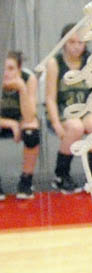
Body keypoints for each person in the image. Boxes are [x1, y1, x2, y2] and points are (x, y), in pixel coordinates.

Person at [46, 24, 92, 193]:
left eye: (80, 42)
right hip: (64, 110)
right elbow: (50, 98)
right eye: (71, 42)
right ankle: (61, 175)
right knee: (75, 127)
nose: (76, 46)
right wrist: (56, 123)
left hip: (86, 108)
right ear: (63, 43)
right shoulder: (54, 63)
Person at [1, 52, 40, 199]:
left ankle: (26, 181)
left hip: (21, 119)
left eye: (11, 68)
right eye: (3, 68)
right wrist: (10, 123)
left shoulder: (28, 78)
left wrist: (22, 89)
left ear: (19, 69)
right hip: (4, 121)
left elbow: (29, 115)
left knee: (31, 130)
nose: (6, 73)